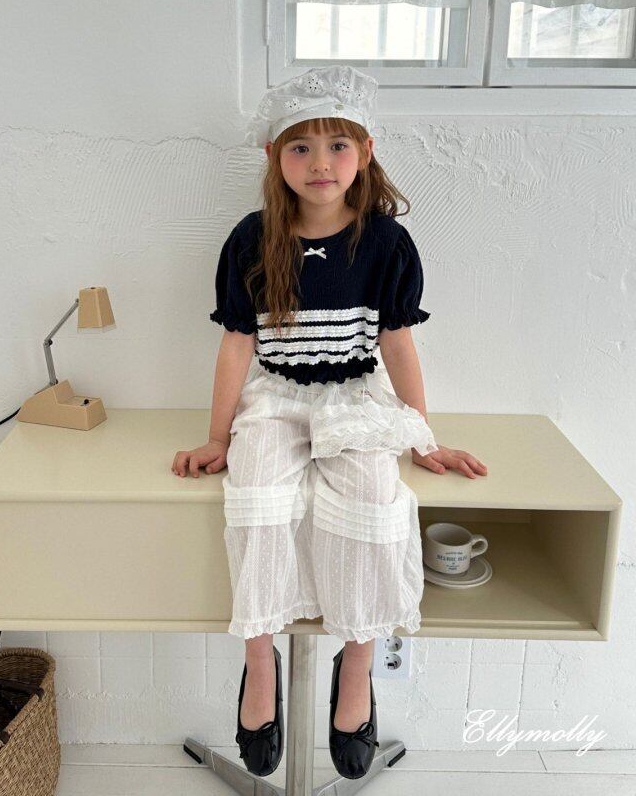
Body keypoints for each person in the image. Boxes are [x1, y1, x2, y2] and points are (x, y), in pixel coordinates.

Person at [172, 63, 488, 779]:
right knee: (256, 497)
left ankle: (358, 661)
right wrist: (219, 437)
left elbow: (397, 343)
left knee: (375, 500)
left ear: (365, 152)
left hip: (355, 399)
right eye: (302, 147)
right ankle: (260, 661)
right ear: (274, 157)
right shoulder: (253, 238)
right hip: (276, 397)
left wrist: (420, 435)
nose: (320, 163)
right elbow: (237, 343)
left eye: (337, 145)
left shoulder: (385, 243)